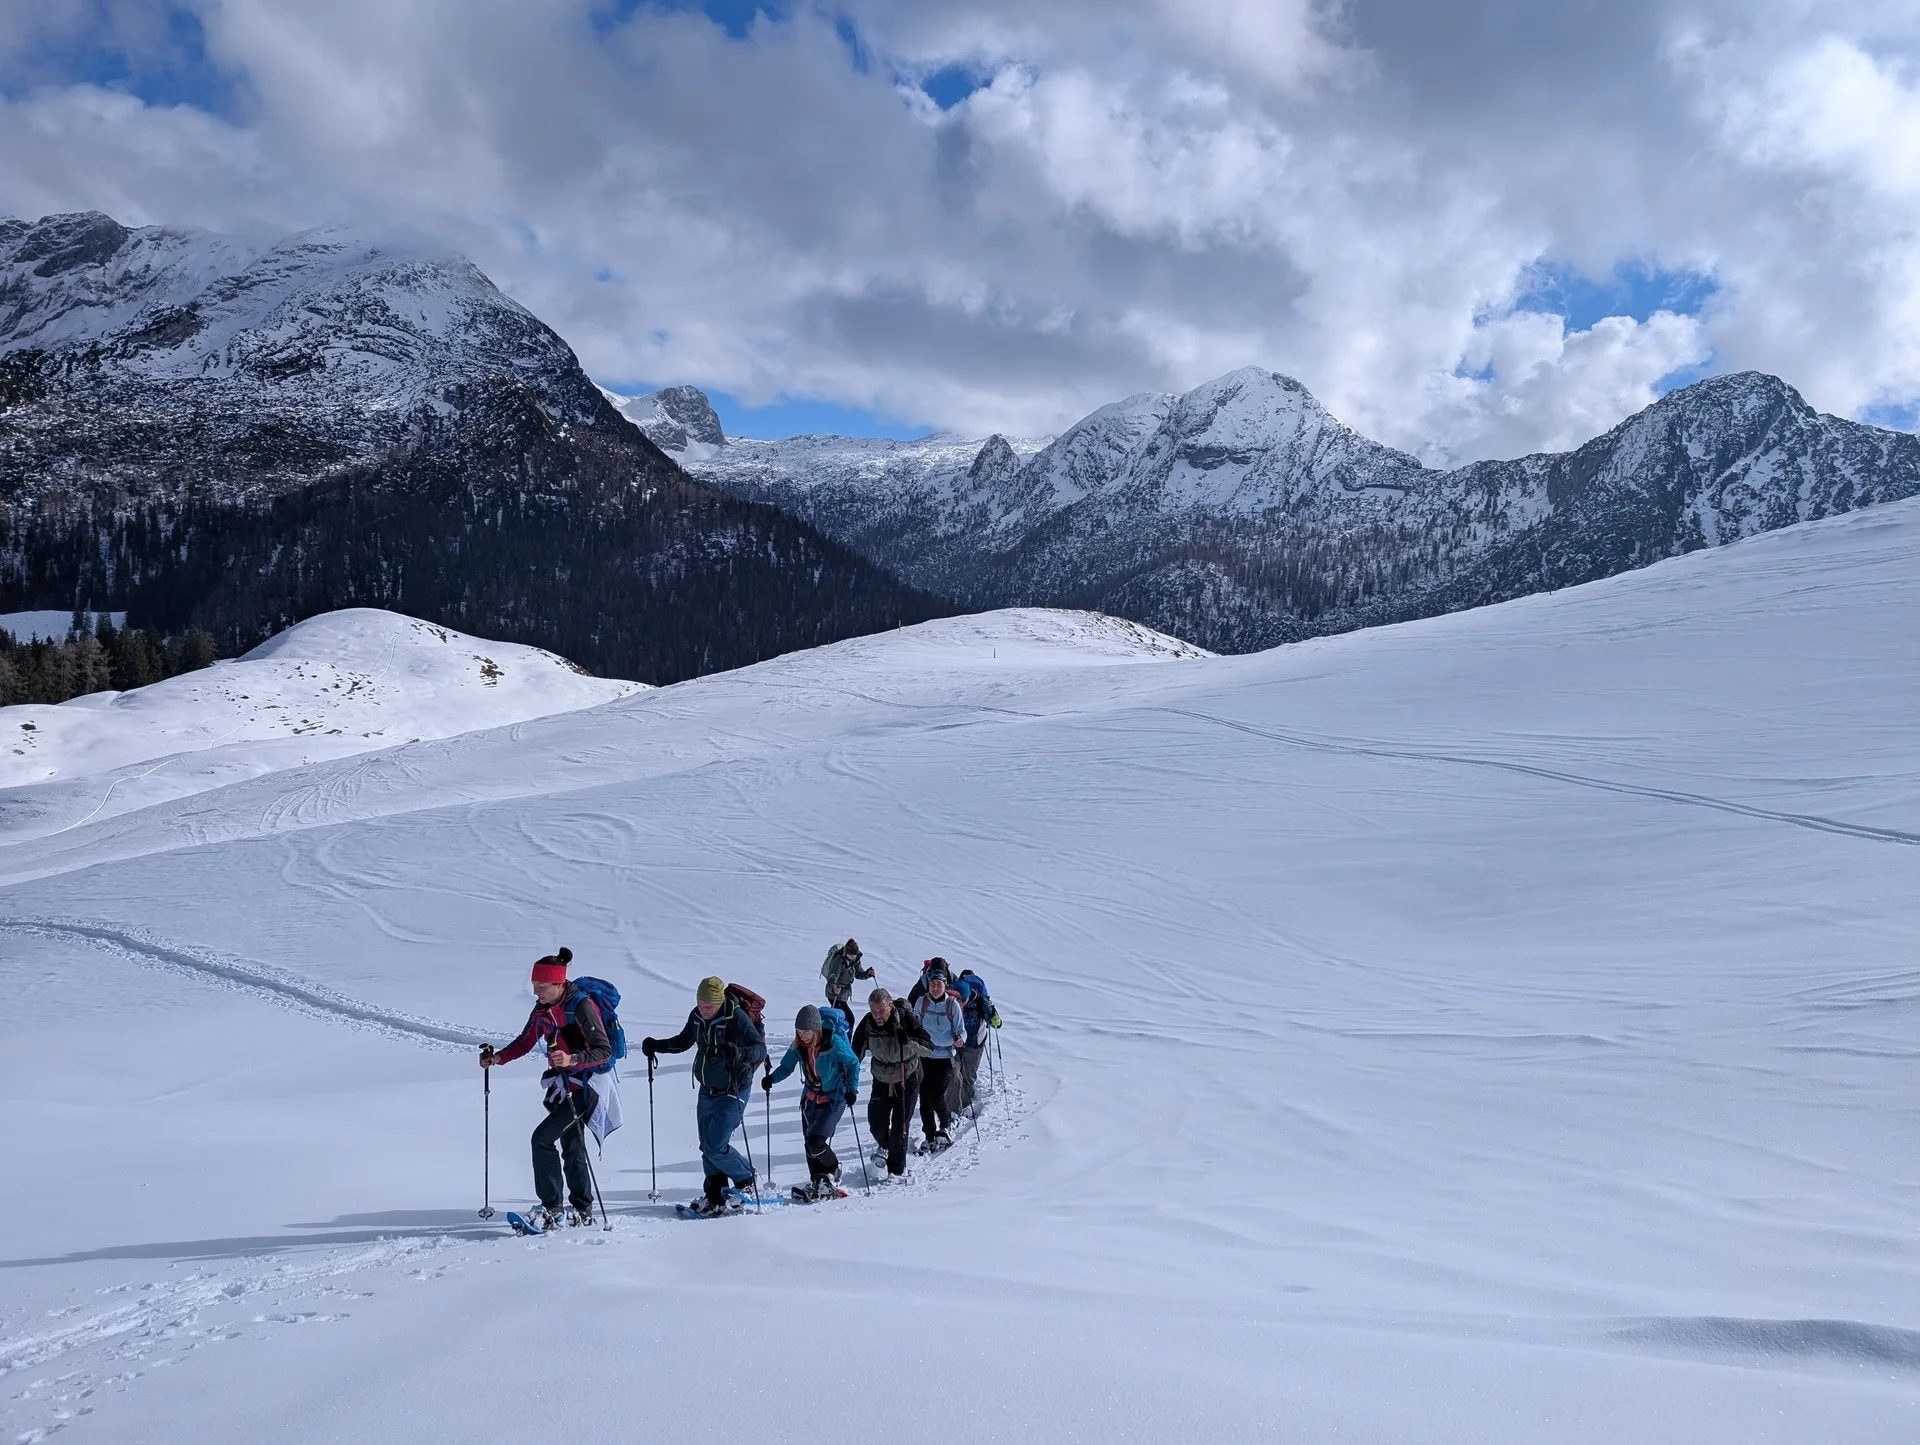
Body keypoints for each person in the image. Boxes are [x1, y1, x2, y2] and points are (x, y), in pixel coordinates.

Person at [480, 947, 611, 1230]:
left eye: (541, 987)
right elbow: (526, 1040)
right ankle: (581, 1209)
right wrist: (498, 1058)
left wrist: (572, 1059)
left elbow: (604, 1050)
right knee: (572, 1146)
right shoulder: (543, 1010)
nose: (536, 992)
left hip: (587, 1088)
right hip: (563, 1087)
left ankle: (553, 1207)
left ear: (559, 983)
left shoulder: (582, 1006)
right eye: (534, 986)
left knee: (542, 1138)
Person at [641, 976, 767, 1216]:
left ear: (719, 1002)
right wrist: (658, 1045)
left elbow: (759, 1049)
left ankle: (746, 1179)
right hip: (707, 1090)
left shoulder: (736, 1017)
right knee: (706, 1145)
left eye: (708, 1005)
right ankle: (715, 1194)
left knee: (715, 1146)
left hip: (734, 1088)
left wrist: (740, 1053)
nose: (702, 1009)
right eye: (699, 1003)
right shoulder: (697, 1016)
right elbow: (684, 1041)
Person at [762, 1004, 860, 1200]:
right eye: (799, 1032)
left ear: (816, 1029)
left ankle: (832, 1170)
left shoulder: (833, 1042)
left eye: (806, 1032)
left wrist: (852, 1089)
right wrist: (772, 1079)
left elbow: (852, 1063)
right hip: (810, 1098)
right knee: (809, 1143)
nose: (802, 1035)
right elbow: (786, 1067)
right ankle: (818, 1181)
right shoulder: (798, 1046)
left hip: (834, 1097)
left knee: (816, 1141)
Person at [852, 986, 932, 1178]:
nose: (877, 1015)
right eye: (873, 1011)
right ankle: (889, 1148)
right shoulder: (868, 1023)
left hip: (908, 1077)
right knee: (876, 1124)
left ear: (890, 1006)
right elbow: (854, 1055)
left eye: (881, 1011)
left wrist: (909, 1040)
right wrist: (847, 1081)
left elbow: (929, 1049)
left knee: (900, 1126)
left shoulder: (906, 1019)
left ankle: (896, 1172)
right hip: (881, 1078)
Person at [911, 961, 968, 1151]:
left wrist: (960, 1039)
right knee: (924, 1098)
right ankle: (929, 1136)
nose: (935, 988)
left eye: (939, 985)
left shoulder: (952, 1005)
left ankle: (945, 1125)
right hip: (925, 1056)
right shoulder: (922, 1002)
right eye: (932, 984)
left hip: (945, 1057)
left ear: (945, 986)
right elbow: (914, 1025)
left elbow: (961, 1030)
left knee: (935, 1095)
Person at [949, 967, 999, 1112]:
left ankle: (963, 1106)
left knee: (961, 1077)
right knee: (959, 1076)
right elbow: (995, 1022)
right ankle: (956, 1109)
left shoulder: (979, 1000)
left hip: (967, 1043)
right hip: (965, 1043)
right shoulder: (954, 997)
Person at [820, 938, 874, 1032]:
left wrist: (868, 974)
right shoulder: (838, 961)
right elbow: (832, 978)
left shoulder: (855, 960)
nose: (853, 957)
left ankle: (835, 1039)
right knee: (849, 1019)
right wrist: (833, 988)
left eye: (855, 955)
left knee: (839, 1019)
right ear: (846, 953)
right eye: (851, 955)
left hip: (844, 994)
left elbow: (858, 974)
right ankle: (845, 1043)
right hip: (835, 995)